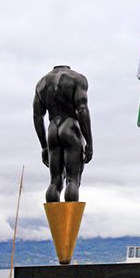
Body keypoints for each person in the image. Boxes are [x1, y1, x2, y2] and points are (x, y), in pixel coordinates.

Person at [33, 65, 93, 203]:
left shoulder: (42, 83)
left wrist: (44, 146)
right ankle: (69, 224)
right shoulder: (77, 79)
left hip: (53, 129)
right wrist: (89, 142)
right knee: (73, 180)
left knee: (55, 182)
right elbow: (82, 109)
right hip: (71, 127)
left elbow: (37, 116)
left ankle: (56, 224)